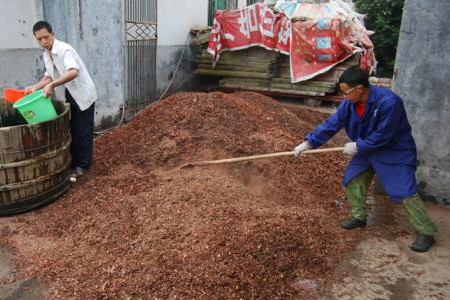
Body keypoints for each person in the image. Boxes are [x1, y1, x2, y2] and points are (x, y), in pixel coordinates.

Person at [293, 66, 437, 253]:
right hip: (366, 150)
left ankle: (426, 232)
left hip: (393, 151)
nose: (344, 96)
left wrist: (358, 146)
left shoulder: (389, 103)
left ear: (360, 88)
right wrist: (308, 143)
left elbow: (384, 134)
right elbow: (331, 124)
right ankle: (359, 217)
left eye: (346, 92)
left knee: (405, 190)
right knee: (354, 179)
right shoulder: (348, 105)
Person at [26, 21, 97, 178]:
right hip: (71, 92)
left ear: (53, 34)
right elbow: (49, 76)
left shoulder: (65, 50)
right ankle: (75, 161)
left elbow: (73, 72)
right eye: (39, 39)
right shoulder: (47, 54)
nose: (44, 41)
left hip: (83, 93)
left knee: (83, 130)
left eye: (46, 37)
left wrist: (53, 84)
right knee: (72, 128)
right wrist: (34, 87)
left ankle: (83, 165)